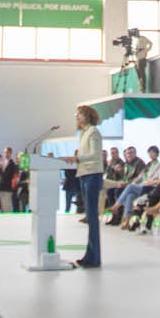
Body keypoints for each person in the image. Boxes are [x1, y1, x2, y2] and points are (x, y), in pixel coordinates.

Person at [60, 104, 104, 269]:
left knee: (92, 218)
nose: (77, 118)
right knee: (90, 218)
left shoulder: (93, 132)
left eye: (79, 115)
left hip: (92, 175)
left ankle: (94, 258)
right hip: (85, 175)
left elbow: (95, 154)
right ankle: (90, 255)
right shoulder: (84, 133)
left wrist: (77, 159)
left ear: (87, 115)